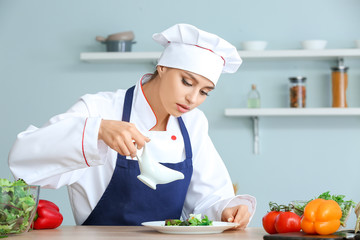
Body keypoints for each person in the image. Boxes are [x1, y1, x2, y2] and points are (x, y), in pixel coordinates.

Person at [8, 23, 256, 228]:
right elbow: (24, 159)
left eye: (204, 91)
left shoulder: (193, 123)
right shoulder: (99, 108)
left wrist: (227, 209)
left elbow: (209, 196)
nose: (193, 99)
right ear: (162, 67)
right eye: (186, 82)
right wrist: (98, 130)